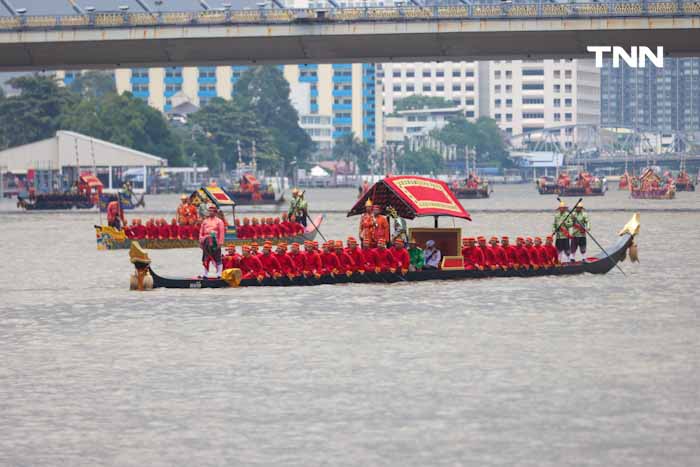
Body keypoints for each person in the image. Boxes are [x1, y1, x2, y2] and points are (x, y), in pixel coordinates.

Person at [199, 205, 226, 278]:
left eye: (212, 211)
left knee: (217, 257)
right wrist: (200, 242)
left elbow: (222, 233)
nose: (210, 212)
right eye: (209, 211)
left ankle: (219, 274)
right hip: (206, 241)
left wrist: (220, 243)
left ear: (215, 212)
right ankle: (205, 274)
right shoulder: (205, 221)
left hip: (215, 241)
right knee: (206, 258)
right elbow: (201, 232)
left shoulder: (219, 221)